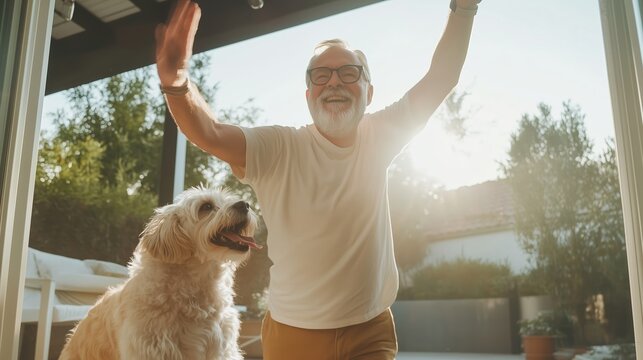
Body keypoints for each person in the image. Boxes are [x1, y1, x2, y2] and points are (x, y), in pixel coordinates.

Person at [155, 0, 481, 358]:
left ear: (369, 93)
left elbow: (442, 78)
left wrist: (464, 7)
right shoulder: (279, 147)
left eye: (349, 73)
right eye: (321, 75)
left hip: (370, 332)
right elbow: (210, 132)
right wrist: (176, 82)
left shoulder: (381, 135)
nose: (334, 82)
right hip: (293, 335)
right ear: (309, 95)